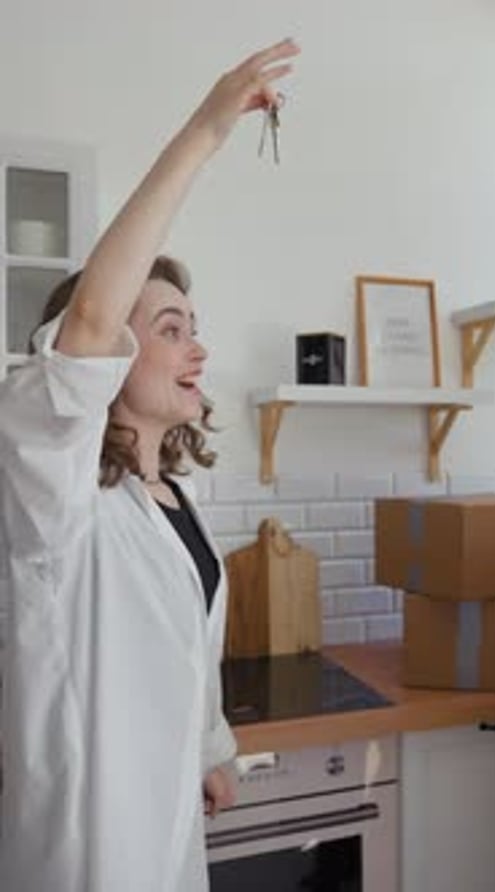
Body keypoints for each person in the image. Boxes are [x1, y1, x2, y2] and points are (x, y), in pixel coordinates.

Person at [0, 38, 300, 892]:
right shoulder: (55, 498)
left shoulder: (175, 497)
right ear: (106, 356)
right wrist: (207, 129)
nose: (198, 347)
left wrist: (211, 747)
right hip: (85, 854)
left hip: (168, 844)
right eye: (169, 328)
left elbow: (186, 655)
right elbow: (93, 316)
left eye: (192, 324)